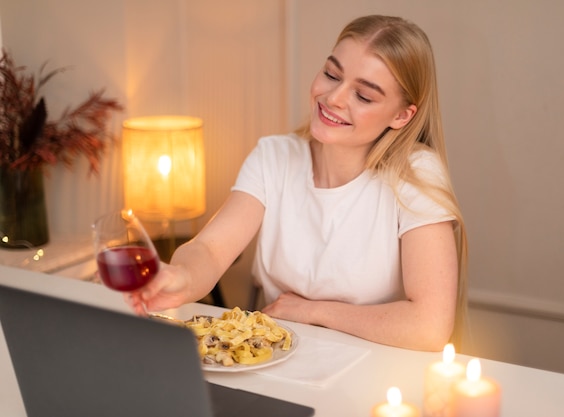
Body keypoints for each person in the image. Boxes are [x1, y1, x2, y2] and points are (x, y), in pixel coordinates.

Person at [127, 14, 468, 352]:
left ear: (401, 115)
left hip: (373, 376)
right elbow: (211, 250)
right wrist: (181, 278)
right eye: (332, 74)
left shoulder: (417, 173)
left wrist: (312, 311)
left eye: (363, 96)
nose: (334, 97)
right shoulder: (274, 157)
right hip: (279, 363)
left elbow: (430, 325)